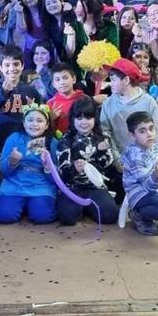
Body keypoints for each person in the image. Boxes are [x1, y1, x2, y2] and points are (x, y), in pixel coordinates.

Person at [55, 97, 118, 226]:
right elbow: (63, 173)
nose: (84, 122)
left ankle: (89, 207)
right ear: (72, 119)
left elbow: (108, 168)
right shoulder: (66, 139)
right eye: (79, 118)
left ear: (95, 118)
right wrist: (74, 169)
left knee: (110, 215)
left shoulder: (103, 137)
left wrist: (101, 152)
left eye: (88, 118)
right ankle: (83, 207)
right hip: (73, 188)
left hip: (96, 188)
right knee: (67, 217)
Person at [0, 104, 59, 224]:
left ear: (47, 125)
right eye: (30, 120)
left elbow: (56, 179)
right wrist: (12, 162)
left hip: (41, 187)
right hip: (14, 186)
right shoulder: (14, 138)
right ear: (24, 123)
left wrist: (48, 167)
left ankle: (29, 206)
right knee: (3, 215)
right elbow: (3, 170)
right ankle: (21, 206)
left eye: (39, 121)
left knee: (42, 216)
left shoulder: (52, 142)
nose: (34, 124)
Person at [100, 58, 158, 157]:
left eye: (113, 80)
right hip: (120, 161)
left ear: (126, 80)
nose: (110, 84)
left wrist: (150, 159)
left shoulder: (149, 102)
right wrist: (117, 160)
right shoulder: (108, 104)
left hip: (147, 160)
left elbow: (156, 133)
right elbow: (106, 133)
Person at [0, 45, 43, 148]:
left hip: (26, 136)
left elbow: (39, 113)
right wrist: (4, 91)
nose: (12, 69)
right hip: (2, 136)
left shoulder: (31, 90)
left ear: (22, 66)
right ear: (1, 67)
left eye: (16, 64)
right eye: (7, 65)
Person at [46, 63, 85, 135]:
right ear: (53, 84)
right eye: (57, 80)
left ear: (74, 79)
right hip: (59, 139)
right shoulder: (50, 104)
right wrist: (50, 118)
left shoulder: (84, 99)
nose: (62, 82)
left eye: (65, 78)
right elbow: (46, 129)